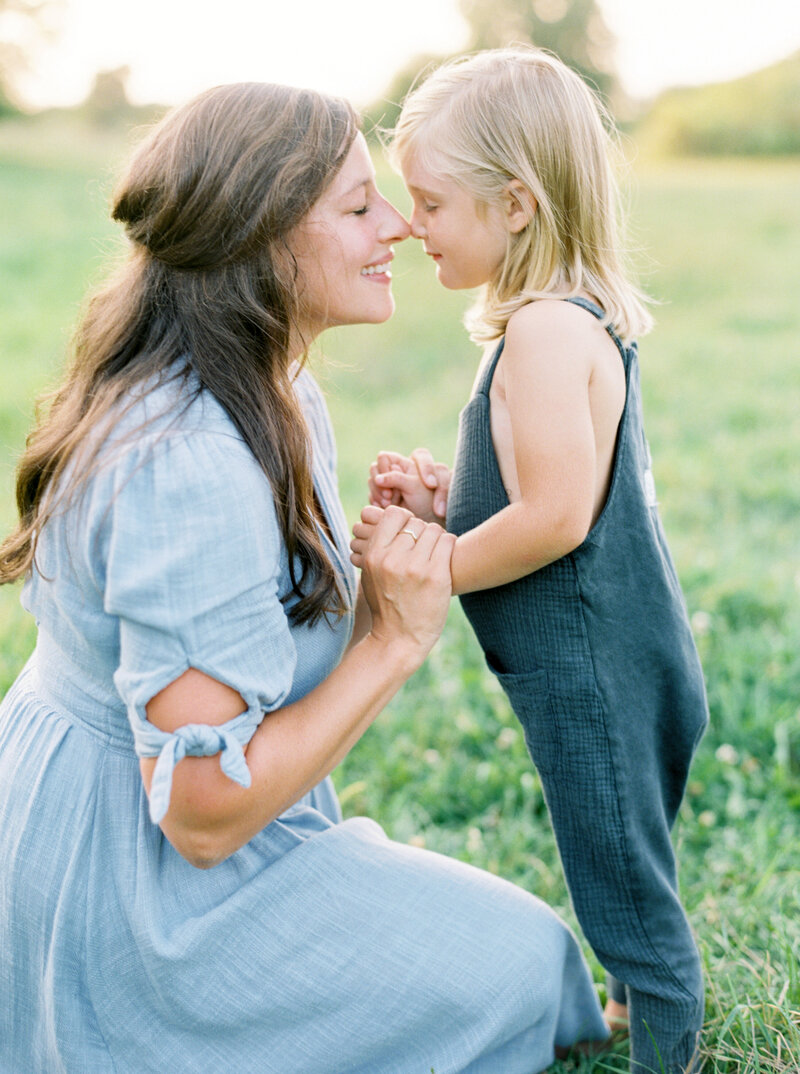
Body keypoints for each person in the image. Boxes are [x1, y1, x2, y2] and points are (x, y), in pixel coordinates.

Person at [0, 81, 610, 1073]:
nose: (401, 227)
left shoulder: (271, 383)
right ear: (261, 235)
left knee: (528, 962)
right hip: (134, 896)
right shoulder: (187, 457)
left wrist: (376, 577)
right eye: (358, 205)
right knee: (518, 969)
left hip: (152, 836)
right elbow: (200, 809)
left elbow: (255, 645)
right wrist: (390, 640)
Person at [353, 47, 709, 1074]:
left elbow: (554, 519)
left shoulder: (548, 334)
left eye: (430, 202)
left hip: (597, 672)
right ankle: (637, 994)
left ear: (514, 204)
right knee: (614, 852)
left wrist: (437, 568)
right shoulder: (542, 323)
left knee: (621, 882)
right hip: (603, 659)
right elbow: (538, 493)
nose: (411, 224)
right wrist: (442, 510)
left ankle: (665, 1039)